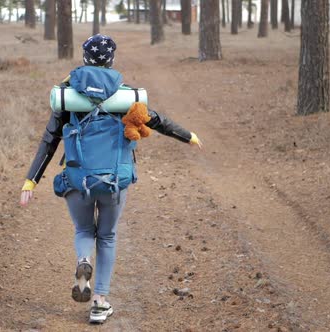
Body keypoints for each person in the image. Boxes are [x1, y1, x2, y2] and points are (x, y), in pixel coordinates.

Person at [20, 34, 202, 324]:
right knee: (106, 236)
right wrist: (187, 136)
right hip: (114, 180)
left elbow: (49, 140)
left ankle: (83, 262)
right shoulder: (126, 96)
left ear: (85, 59)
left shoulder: (68, 97)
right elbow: (158, 121)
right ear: (111, 60)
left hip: (78, 179)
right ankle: (99, 302)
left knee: (83, 231)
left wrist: (31, 181)